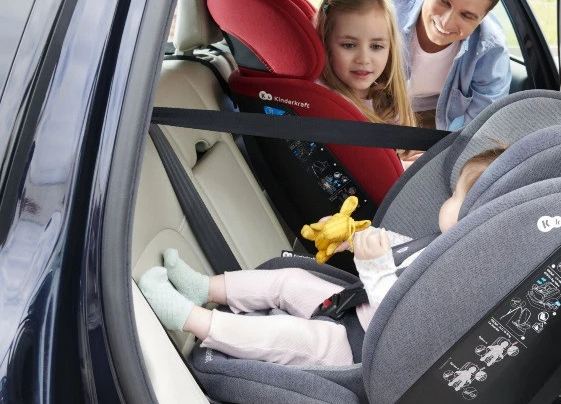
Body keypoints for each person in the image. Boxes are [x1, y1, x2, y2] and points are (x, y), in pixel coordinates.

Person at [137, 146, 507, 367]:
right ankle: (205, 287)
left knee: (288, 335)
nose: (446, 200)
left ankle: (190, 319)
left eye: (456, 196)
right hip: (351, 311)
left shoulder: (462, 283)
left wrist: (375, 268)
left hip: (359, 352)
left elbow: (401, 325)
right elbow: (400, 250)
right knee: (290, 280)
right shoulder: (444, 243)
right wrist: (355, 236)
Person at [363, 0, 511, 131]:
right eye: (444, 1)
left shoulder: (490, 49)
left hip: (428, 114)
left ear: (483, 17)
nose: (446, 23)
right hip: (364, 101)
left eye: (466, 15)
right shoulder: (381, 4)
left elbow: (482, 126)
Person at [314, 0, 418, 165]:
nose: (363, 59)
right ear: (326, 43)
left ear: (390, 48)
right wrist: (402, 167)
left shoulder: (383, 95)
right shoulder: (330, 104)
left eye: (376, 46)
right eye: (348, 45)